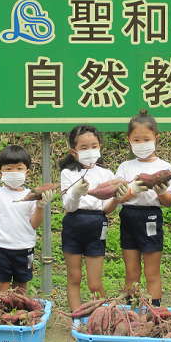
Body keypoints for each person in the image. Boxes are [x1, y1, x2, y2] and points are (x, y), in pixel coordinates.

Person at [59, 124, 123, 311]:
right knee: (74, 277)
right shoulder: (68, 173)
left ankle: (104, 317)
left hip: (97, 224)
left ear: (100, 146)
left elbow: (106, 209)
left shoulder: (106, 174)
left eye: (94, 146)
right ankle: (77, 319)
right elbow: (68, 206)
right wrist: (76, 192)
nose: (90, 151)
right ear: (73, 151)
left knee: (94, 283)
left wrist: (118, 197)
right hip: (73, 224)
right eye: (84, 148)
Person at [0, 145, 54, 293]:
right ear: (0, 172)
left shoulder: (31, 195)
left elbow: (34, 225)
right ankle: (1, 314)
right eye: (9, 169)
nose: (14, 172)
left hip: (25, 249)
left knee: (20, 289)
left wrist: (40, 206)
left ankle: (18, 314)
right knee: (1, 291)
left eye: (19, 168)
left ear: (27, 172)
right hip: (1, 249)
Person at [115, 110, 171, 307]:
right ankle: (131, 312)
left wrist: (160, 190)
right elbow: (118, 197)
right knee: (131, 271)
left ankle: (154, 312)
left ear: (156, 138)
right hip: (129, 217)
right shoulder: (125, 166)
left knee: (151, 272)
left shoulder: (165, 167)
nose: (141, 144)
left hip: (151, 217)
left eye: (146, 139)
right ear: (129, 140)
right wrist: (132, 191)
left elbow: (168, 202)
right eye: (136, 140)